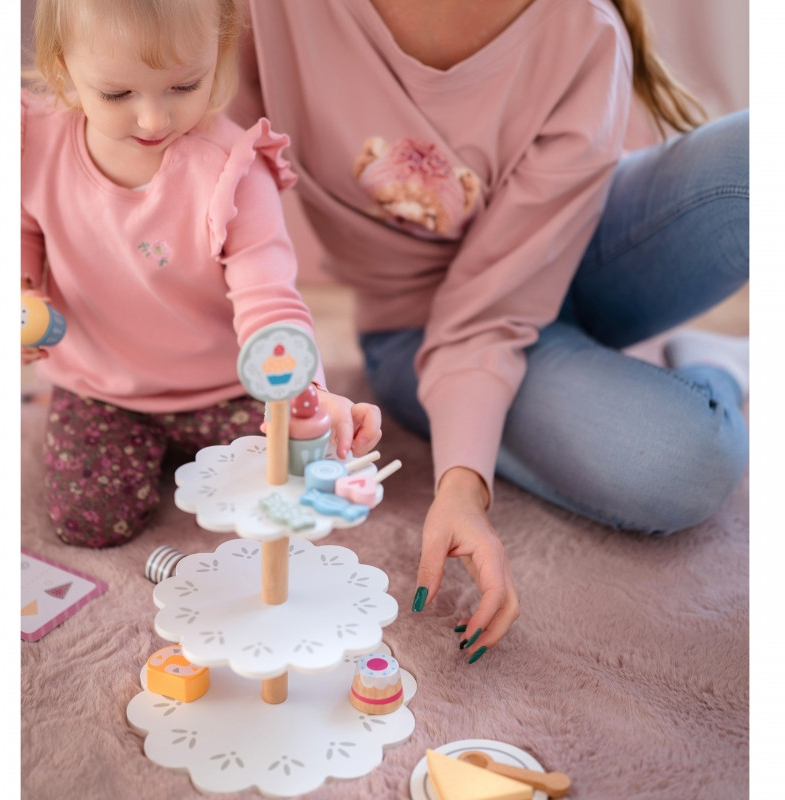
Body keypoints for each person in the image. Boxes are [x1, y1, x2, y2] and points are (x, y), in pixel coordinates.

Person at [229, 0, 750, 662]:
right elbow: (209, 193)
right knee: (688, 461)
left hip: (575, 242)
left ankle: (596, 365)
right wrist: (461, 487)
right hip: (424, 331)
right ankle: (719, 368)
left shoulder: (582, 32)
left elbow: (531, 262)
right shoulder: (267, 15)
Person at [21, 0, 382, 548]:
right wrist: (20, 290)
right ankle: (144, 448)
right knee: (89, 523)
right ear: (62, 67)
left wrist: (307, 393)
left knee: (302, 485)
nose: (154, 119)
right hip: (100, 388)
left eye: (184, 86)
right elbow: (20, 227)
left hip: (223, 388)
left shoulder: (232, 171)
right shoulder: (31, 144)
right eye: (118, 94)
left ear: (219, 54)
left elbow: (270, 301)